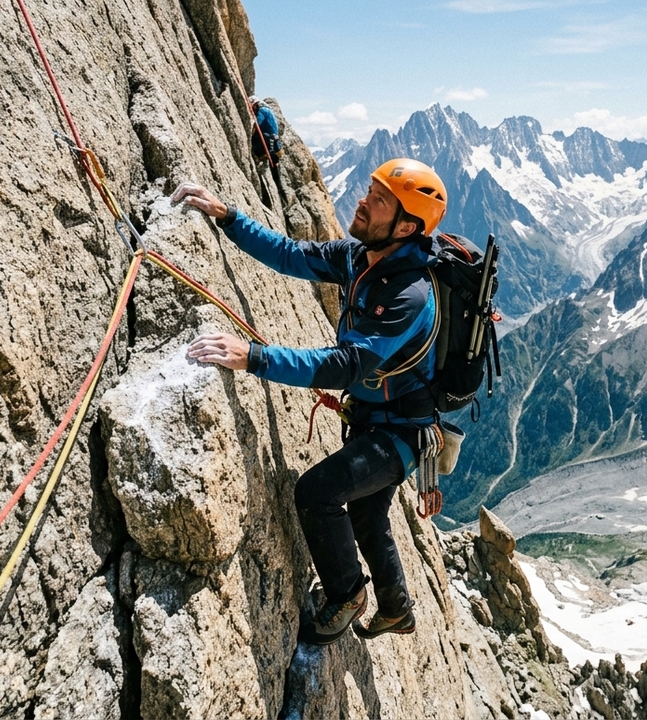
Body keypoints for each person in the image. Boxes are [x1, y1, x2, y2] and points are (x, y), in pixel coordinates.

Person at [171, 158, 449, 645]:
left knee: (317, 493)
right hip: (377, 418)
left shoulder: (409, 296)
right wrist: (227, 216)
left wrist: (252, 358)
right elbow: (292, 255)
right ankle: (397, 609)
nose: (363, 201)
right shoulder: (360, 257)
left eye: (378, 199)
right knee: (366, 513)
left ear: (405, 226)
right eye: (370, 189)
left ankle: (346, 596)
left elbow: (344, 365)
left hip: (401, 433)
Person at [248, 95, 281, 167]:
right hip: (274, 142)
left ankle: (259, 156)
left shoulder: (261, 111)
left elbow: (256, 124)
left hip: (270, 142)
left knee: (254, 138)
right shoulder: (266, 109)